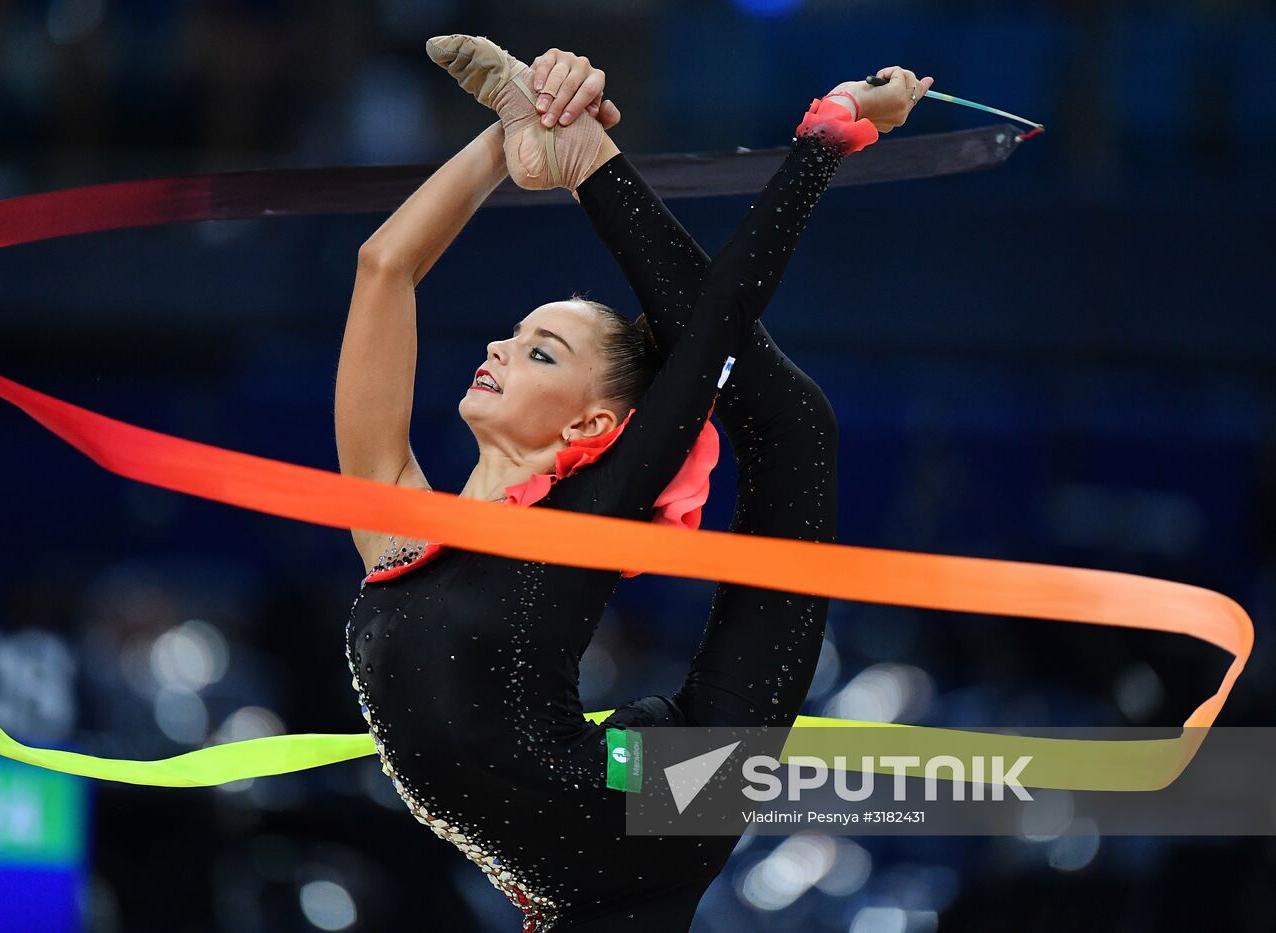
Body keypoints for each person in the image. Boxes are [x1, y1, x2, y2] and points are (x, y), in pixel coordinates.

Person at [336, 35, 929, 932]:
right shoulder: (396, 520)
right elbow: (385, 267)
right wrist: (507, 133)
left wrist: (823, 143)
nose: (497, 348)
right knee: (791, 423)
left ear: (589, 428)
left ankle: (593, 161)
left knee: (792, 424)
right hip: (662, 791)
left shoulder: (578, 517)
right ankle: (581, 158)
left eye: (541, 351)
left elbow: (717, 326)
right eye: (515, 334)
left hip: (638, 805)